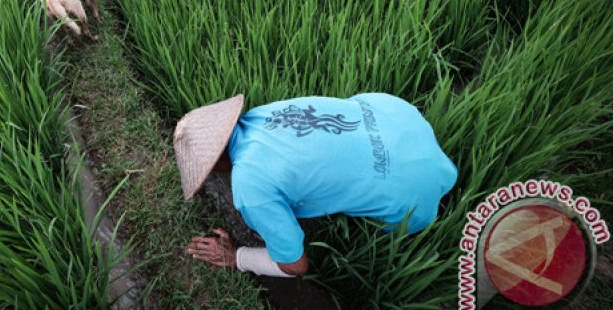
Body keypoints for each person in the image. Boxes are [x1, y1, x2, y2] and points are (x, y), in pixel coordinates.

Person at [174, 93, 458, 277]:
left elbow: (295, 266)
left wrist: (237, 256)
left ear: (213, 164)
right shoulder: (262, 115)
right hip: (402, 118)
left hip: (416, 196)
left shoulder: (250, 187)